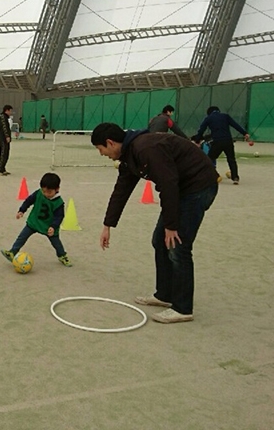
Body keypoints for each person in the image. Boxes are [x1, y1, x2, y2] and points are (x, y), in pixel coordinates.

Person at [91, 123, 219, 324]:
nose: (102, 154)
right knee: (160, 241)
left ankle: (183, 308)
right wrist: (107, 225)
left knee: (178, 245)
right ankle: (164, 295)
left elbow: (168, 183)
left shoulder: (145, 148)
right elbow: (121, 190)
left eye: (101, 149)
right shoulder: (129, 155)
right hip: (181, 190)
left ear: (110, 143)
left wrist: (171, 225)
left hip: (198, 187)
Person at [0, 172, 72, 267]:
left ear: (57, 189)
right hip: (34, 222)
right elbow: (29, 200)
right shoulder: (38, 193)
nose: (46, 194)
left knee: (56, 243)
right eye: (44, 191)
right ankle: (12, 252)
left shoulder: (59, 203)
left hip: (48, 227)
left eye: (49, 192)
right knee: (22, 237)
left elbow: (59, 217)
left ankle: (62, 255)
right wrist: (22, 210)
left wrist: (53, 227)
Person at [192, 106, 250, 185]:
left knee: (209, 159)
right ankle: (235, 177)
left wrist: (197, 140)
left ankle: (212, 176)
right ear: (218, 111)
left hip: (217, 141)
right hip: (228, 141)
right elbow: (235, 125)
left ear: (209, 113)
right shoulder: (225, 116)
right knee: (231, 159)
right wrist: (245, 133)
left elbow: (201, 130)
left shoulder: (208, 118)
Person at [0, 105, 13, 176]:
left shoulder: (6, 118)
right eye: (10, 111)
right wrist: (7, 136)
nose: (11, 113)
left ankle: (3, 169)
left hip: (5, 138)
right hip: (2, 138)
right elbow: (4, 127)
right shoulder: (3, 117)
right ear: (7, 110)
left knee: (6, 153)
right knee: (3, 153)